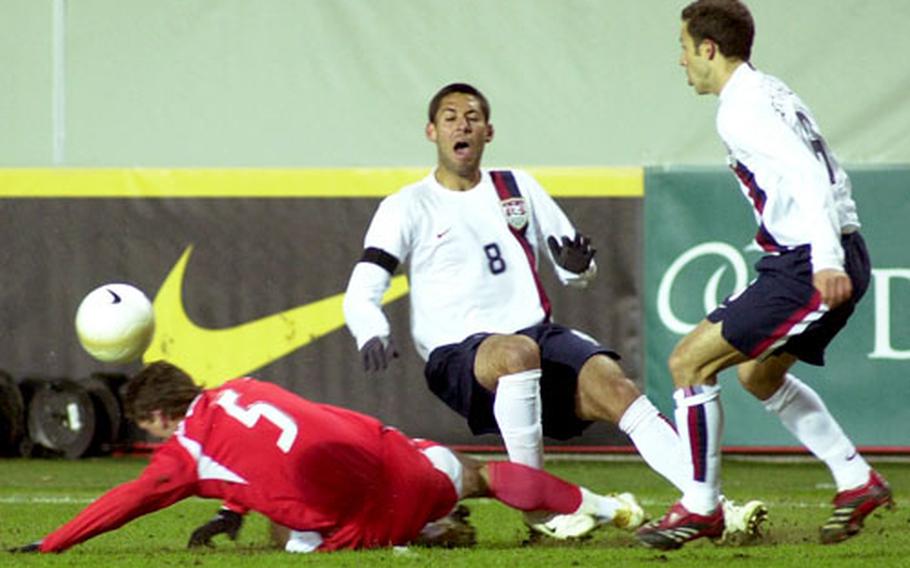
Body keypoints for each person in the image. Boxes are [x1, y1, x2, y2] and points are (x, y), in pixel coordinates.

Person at [342, 82, 766, 540]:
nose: (462, 124)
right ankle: (539, 510)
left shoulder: (516, 187)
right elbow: (364, 285)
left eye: (473, 116)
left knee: (619, 389)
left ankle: (713, 507)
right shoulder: (407, 205)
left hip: (534, 337)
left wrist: (581, 267)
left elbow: (575, 265)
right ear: (431, 132)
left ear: (489, 131)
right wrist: (370, 328)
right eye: (450, 117)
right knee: (517, 353)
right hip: (457, 355)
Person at [636, 0, 893, 550]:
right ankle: (855, 480)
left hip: (809, 260)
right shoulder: (771, 90)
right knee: (757, 376)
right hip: (829, 250)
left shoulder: (741, 107)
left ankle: (701, 507)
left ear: (708, 48)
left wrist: (824, 259)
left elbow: (805, 174)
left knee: (687, 362)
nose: (680, 61)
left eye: (684, 48)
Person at [10, 361, 645, 554]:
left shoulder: (181, 458)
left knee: (293, 530)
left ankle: (419, 534)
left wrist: (52, 544)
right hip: (404, 465)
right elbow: (308, 431)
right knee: (478, 474)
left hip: (361, 524)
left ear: (156, 418)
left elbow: (124, 502)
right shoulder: (244, 389)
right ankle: (605, 506)